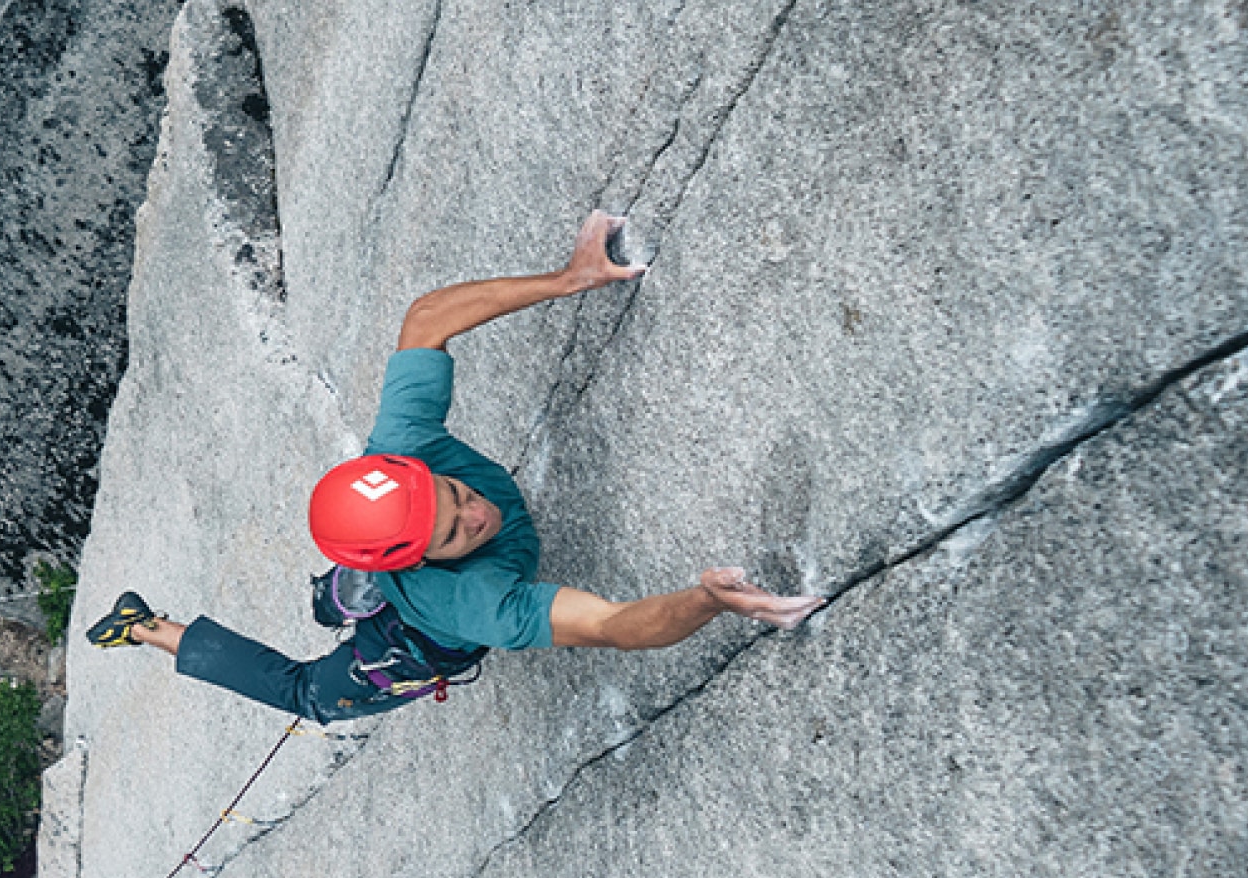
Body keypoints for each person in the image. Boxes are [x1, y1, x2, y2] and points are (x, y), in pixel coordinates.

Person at [88, 211, 823, 723]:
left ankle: (334, 592)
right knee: (306, 695)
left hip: (388, 569)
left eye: (453, 495)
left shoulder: (401, 450)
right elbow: (613, 626)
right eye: (455, 532)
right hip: (412, 635)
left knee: (335, 611)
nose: (478, 512)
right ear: (420, 562)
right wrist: (709, 602)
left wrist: (568, 280)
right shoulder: (471, 606)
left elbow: (426, 319)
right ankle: (149, 628)